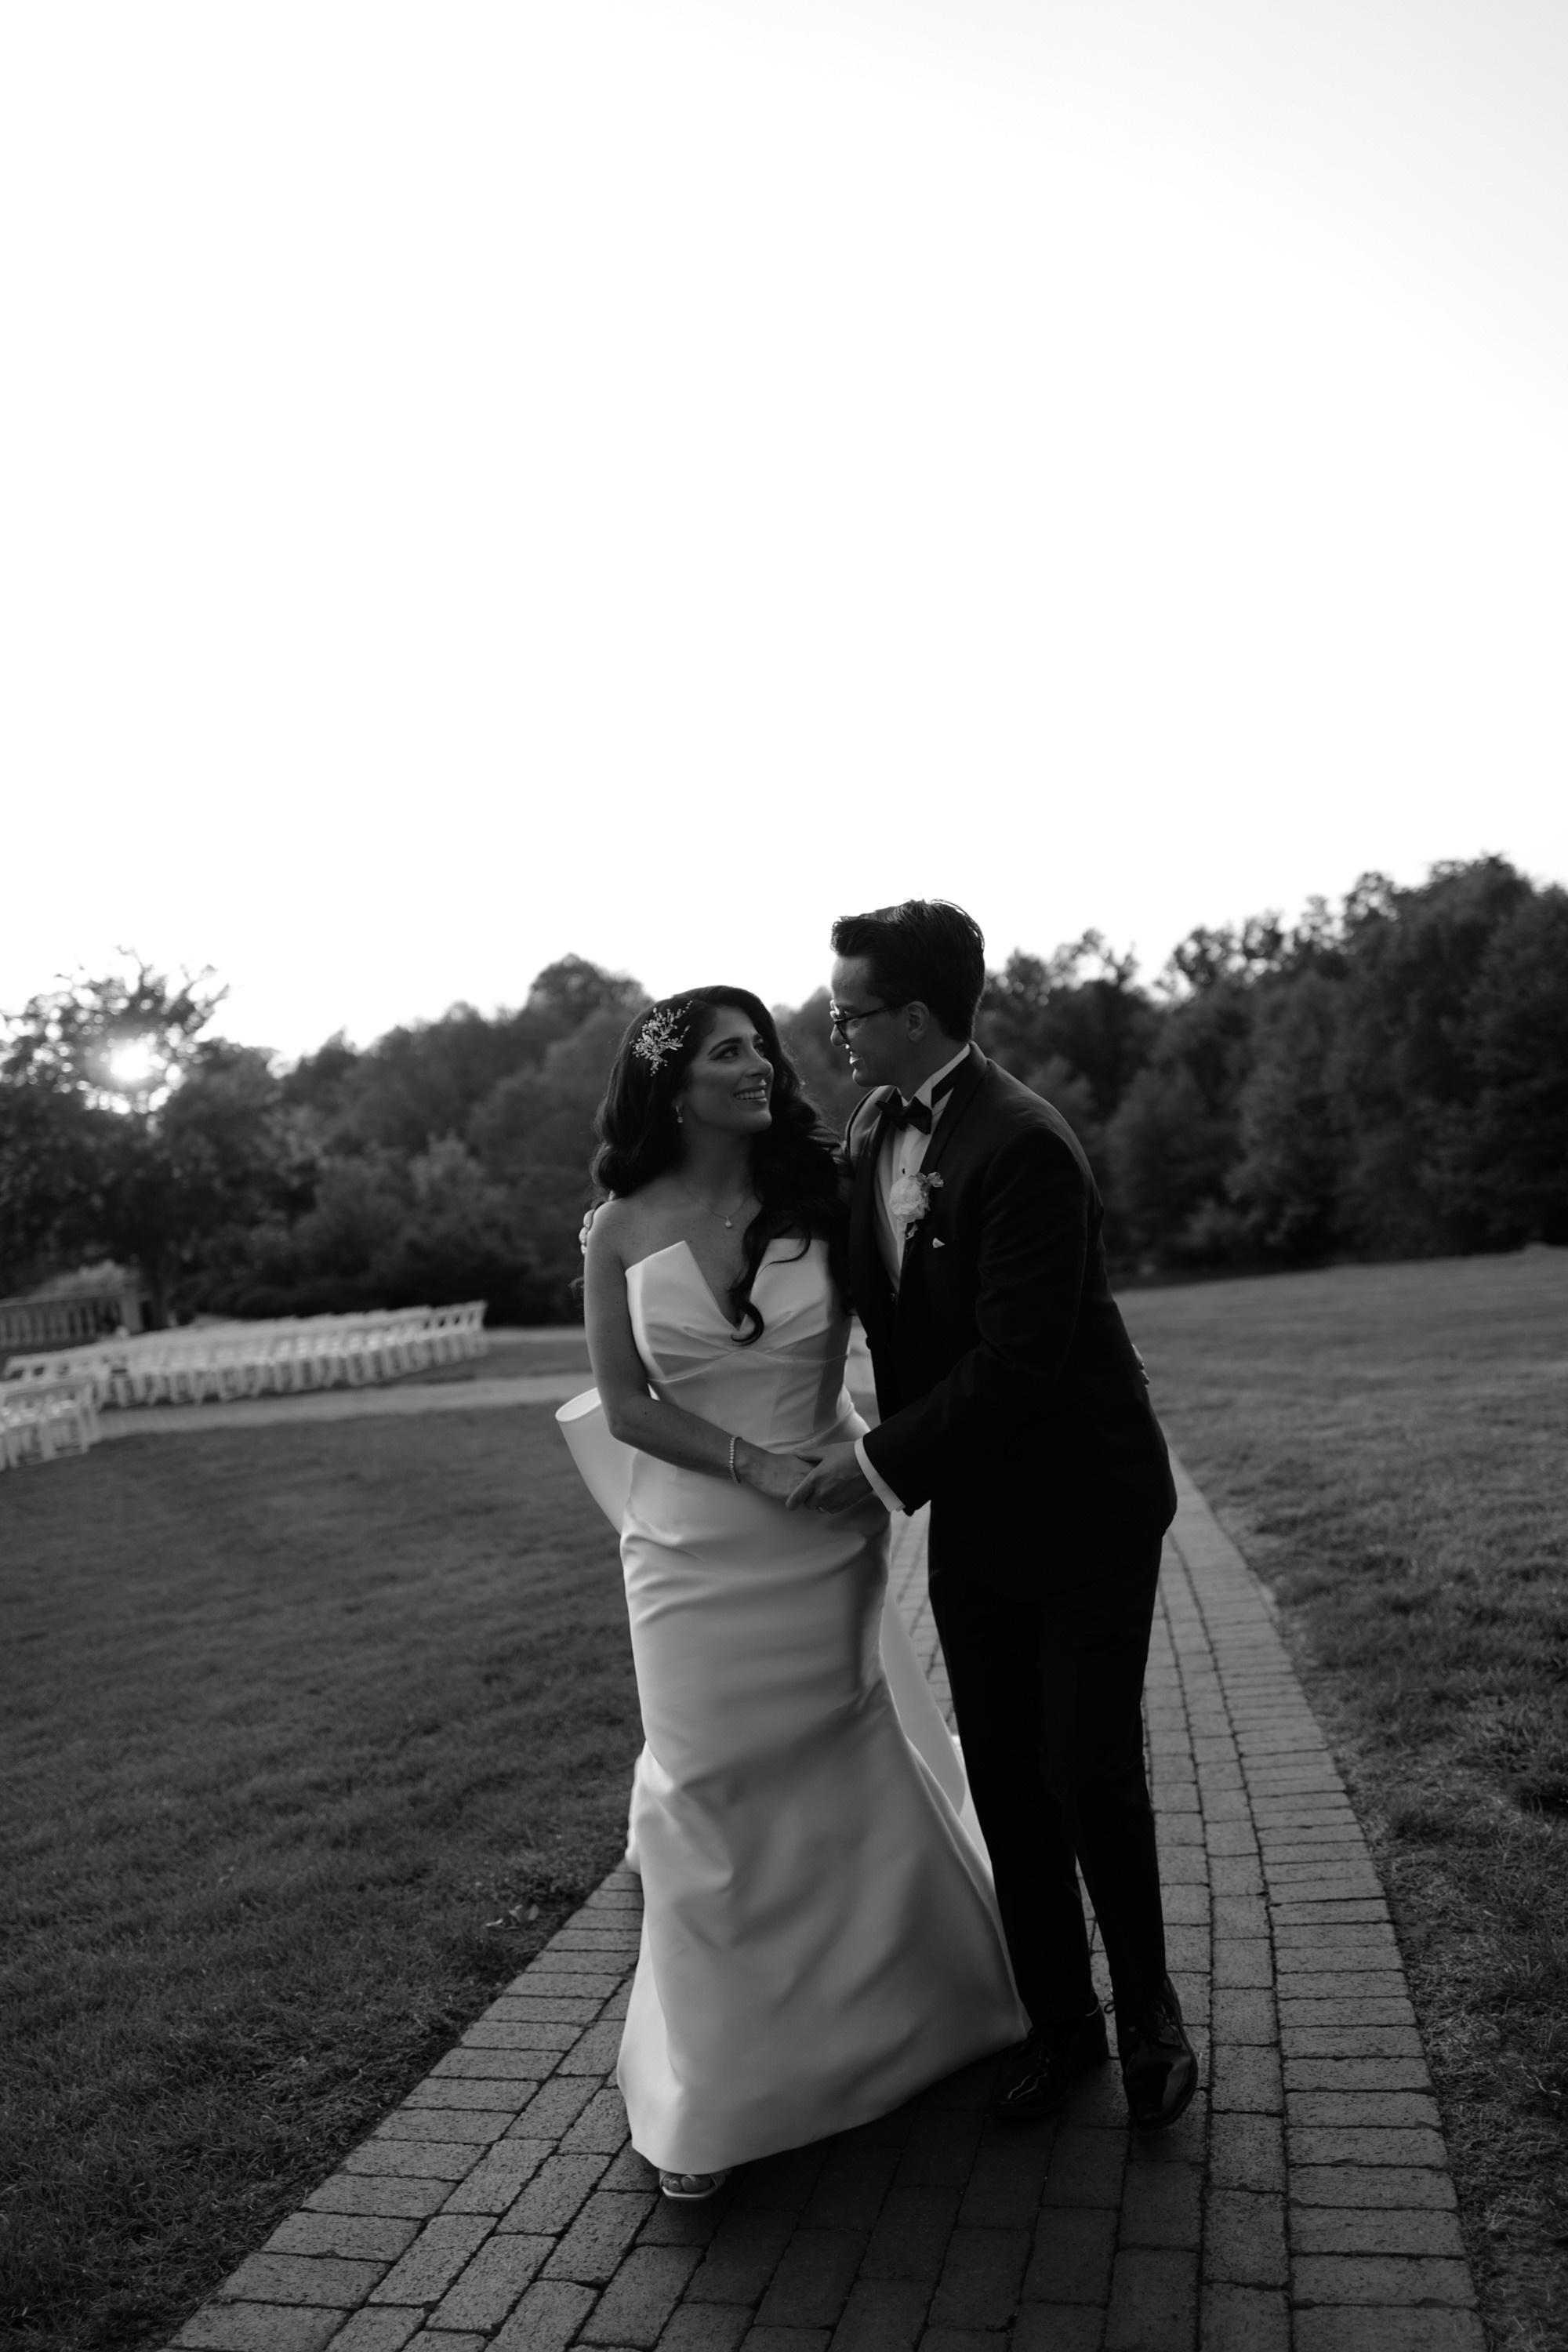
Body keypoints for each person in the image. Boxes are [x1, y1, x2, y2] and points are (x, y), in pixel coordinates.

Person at [578, 985, 1026, 2200]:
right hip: (686, 1552)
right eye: (729, 1053)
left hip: (826, 1533)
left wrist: (885, 1458)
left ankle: (901, 2010)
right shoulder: (616, 1229)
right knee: (705, 1782)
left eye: (762, 1050)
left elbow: (925, 1327)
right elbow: (626, 1407)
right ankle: (718, 2084)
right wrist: (753, 1466)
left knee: (835, 1757)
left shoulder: (826, 1194)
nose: (760, 1067)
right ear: (671, 1087)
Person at [787, 901, 1200, 2131]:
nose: (836, 1030)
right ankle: (1060, 2025)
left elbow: (1019, 1357)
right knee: (1011, 1781)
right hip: (976, 1514)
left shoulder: (1024, 1142)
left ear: (915, 1015)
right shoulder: (877, 1128)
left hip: (1086, 1508)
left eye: (850, 1011)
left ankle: (1152, 2014)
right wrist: (638, 1204)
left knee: (1087, 1768)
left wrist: (875, 1466)